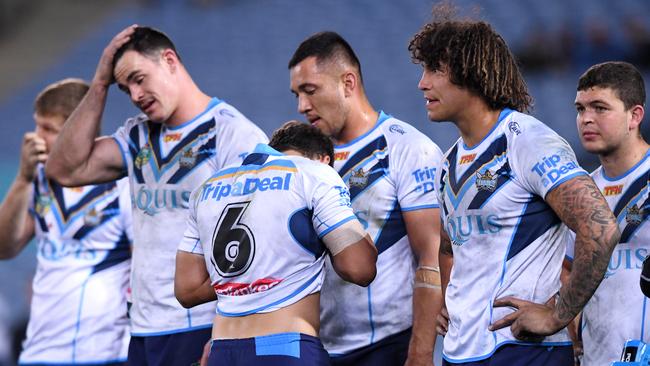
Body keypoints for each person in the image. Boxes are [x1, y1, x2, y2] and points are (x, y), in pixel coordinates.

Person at [408, 7, 621, 365]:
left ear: (470, 72)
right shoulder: (448, 162)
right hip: (461, 353)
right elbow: (450, 245)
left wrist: (557, 315)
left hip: (523, 351)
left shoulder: (528, 142)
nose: (422, 83)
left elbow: (600, 229)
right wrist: (451, 301)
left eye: (434, 69)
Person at [45, 26, 268, 365]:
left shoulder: (234, 135)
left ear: (169, 60)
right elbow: (64, 169)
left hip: (203, 325)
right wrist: (100, 84)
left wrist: (227, 333)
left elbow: (256, 248)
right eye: (125, 88)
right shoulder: (135, 136)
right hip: (144, 328)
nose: (134, 95)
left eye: (139, 78)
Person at [289, 31, 444, 365]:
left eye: (310, 90)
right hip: (317, 347)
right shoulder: (297, 160)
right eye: (297, 94)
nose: (302, 106)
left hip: (389, 346)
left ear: (348, 82)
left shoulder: (409, 149)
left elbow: (431, 257)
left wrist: (420, 351)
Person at [175, 121, 378, 365]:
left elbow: (186, 289)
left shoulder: (207, 188)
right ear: (323, 160)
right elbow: (359, 269)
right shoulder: (315, 173)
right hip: (286, 348)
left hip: (222, 350)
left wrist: (253, 275)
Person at [0, 78, 132, 365]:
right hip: (41, 350)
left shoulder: (122, 186)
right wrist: (22, 179)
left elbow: (145, 266)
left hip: (105, 351)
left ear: (79, 129)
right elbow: (4, 248)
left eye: (48, 129)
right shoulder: (38, 182)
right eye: (37, 125)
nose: (35, 137)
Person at [565, 61, 649, 366]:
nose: (586, 119)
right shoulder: (579, 191)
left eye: (600, 108)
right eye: (580, 109)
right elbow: (568, 269)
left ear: (634, 116)